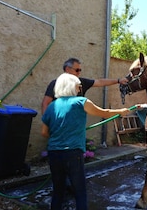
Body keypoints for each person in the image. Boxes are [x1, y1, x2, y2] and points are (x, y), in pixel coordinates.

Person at [41, 73, 131, 210]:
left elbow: (44, 132)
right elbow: (104, 112)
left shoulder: (52, 106)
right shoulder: (81, 102)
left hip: (54, 154)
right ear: (71, 87)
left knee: (58, 192)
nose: (79, 89)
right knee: (80, 192)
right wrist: (121, 111)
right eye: (78, 86)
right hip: (73, 154)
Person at [41, 57, 128, 114]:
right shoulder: (55, 84)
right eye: (77, 70)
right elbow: (45, 103)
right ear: (67, 69)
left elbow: (100, 82)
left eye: (80, 70)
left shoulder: (81, 82)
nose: (79, 72)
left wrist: (118, 81)